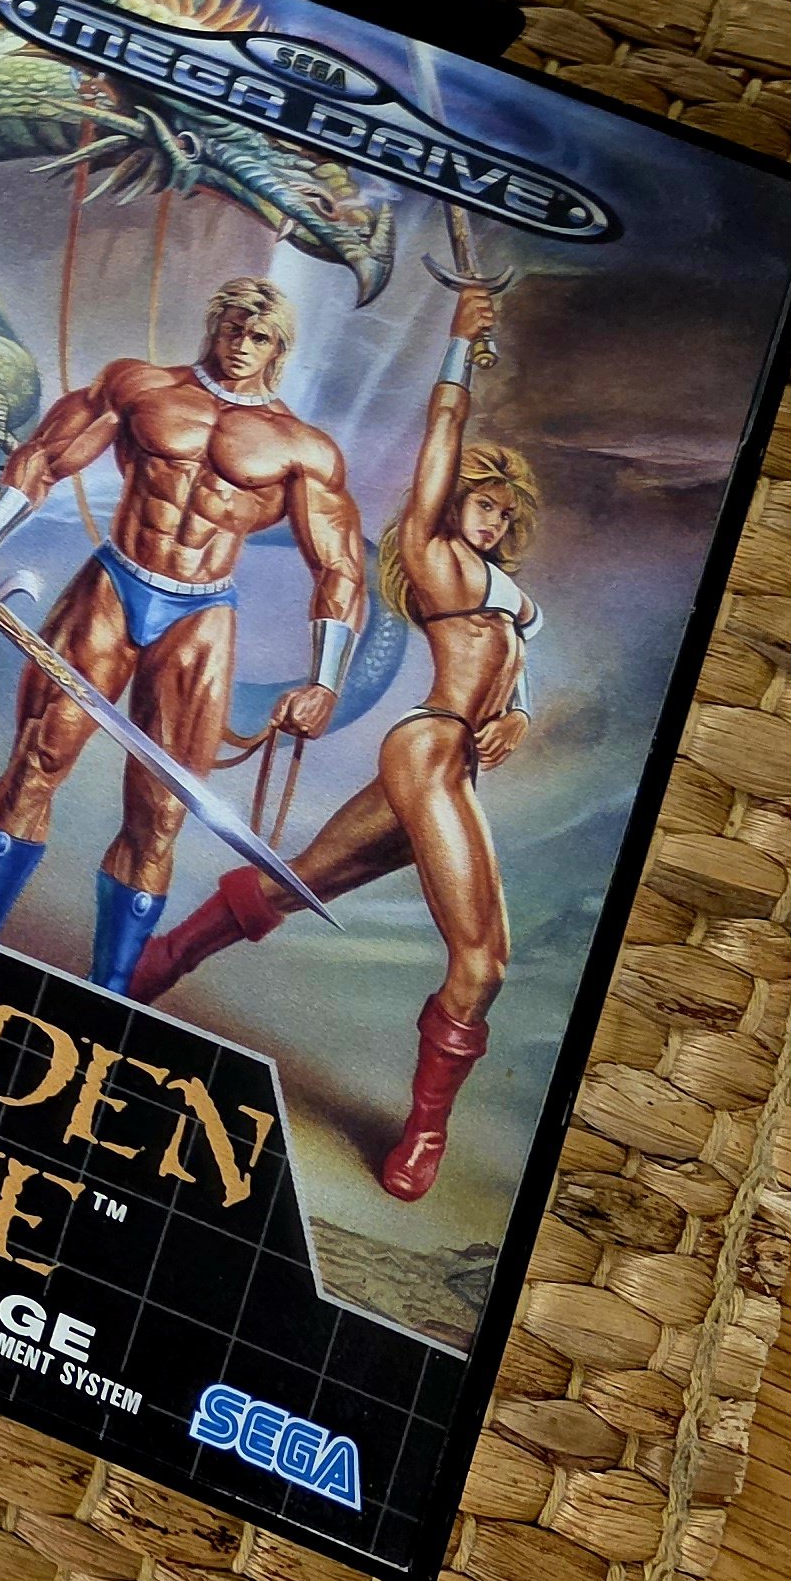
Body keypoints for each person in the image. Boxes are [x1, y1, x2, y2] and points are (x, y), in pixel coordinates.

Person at [130, 280, 530, 1201]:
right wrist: (458, 347)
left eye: (506, 515)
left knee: (300, 881)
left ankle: (163, 959)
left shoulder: (507, 596)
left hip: (450, 760)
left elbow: (514, 670)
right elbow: (441, 439)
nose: (492, 521)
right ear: (453, 505)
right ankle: (425, 1134)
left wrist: (518, 714)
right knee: (482, 961)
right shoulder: (436, 555)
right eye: (481, 504)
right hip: (429, 749)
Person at [0, 276, 363, 988]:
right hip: (115, 585)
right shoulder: (140, 387)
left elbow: (340, 567)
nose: (241, 346)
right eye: (233, 328)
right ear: (215, 326)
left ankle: (108, 996)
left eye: (258, 337)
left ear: (278, 349)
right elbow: (44, 456)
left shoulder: (302, 449)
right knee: (39, 759)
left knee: (161, 815)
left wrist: (324, 680)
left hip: (199, 615)